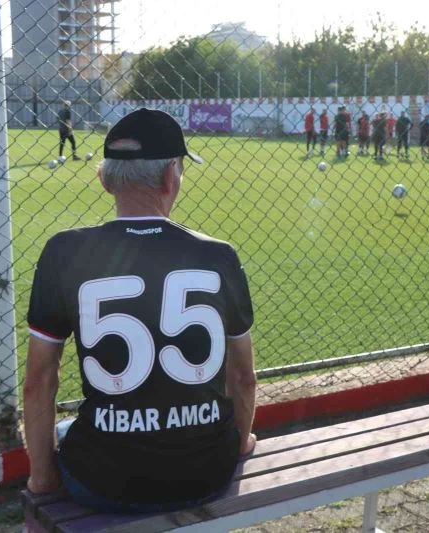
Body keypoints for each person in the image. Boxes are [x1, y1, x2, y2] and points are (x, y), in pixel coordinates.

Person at [23, 108, 257, 513]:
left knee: (71, 431)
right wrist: (241, 441)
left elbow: (39, 380)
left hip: (105, 482)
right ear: (171, 176)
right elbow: (243, 377)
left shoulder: (64, 251)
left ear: (104, 179)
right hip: (207, 473)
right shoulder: (219, 256)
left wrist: (42, 478)